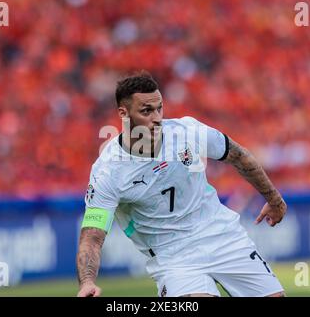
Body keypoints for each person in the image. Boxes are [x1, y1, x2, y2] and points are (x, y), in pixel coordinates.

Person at [77, 72, 287, 297]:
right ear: (123, 113)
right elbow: (92, 235)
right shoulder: (108, 172)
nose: (156, 117)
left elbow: (238, 155)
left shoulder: (188, 131)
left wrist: (274, 199)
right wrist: (87, 282)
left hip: (222, 235)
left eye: (159, 108)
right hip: (173, 258)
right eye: (146, 111)